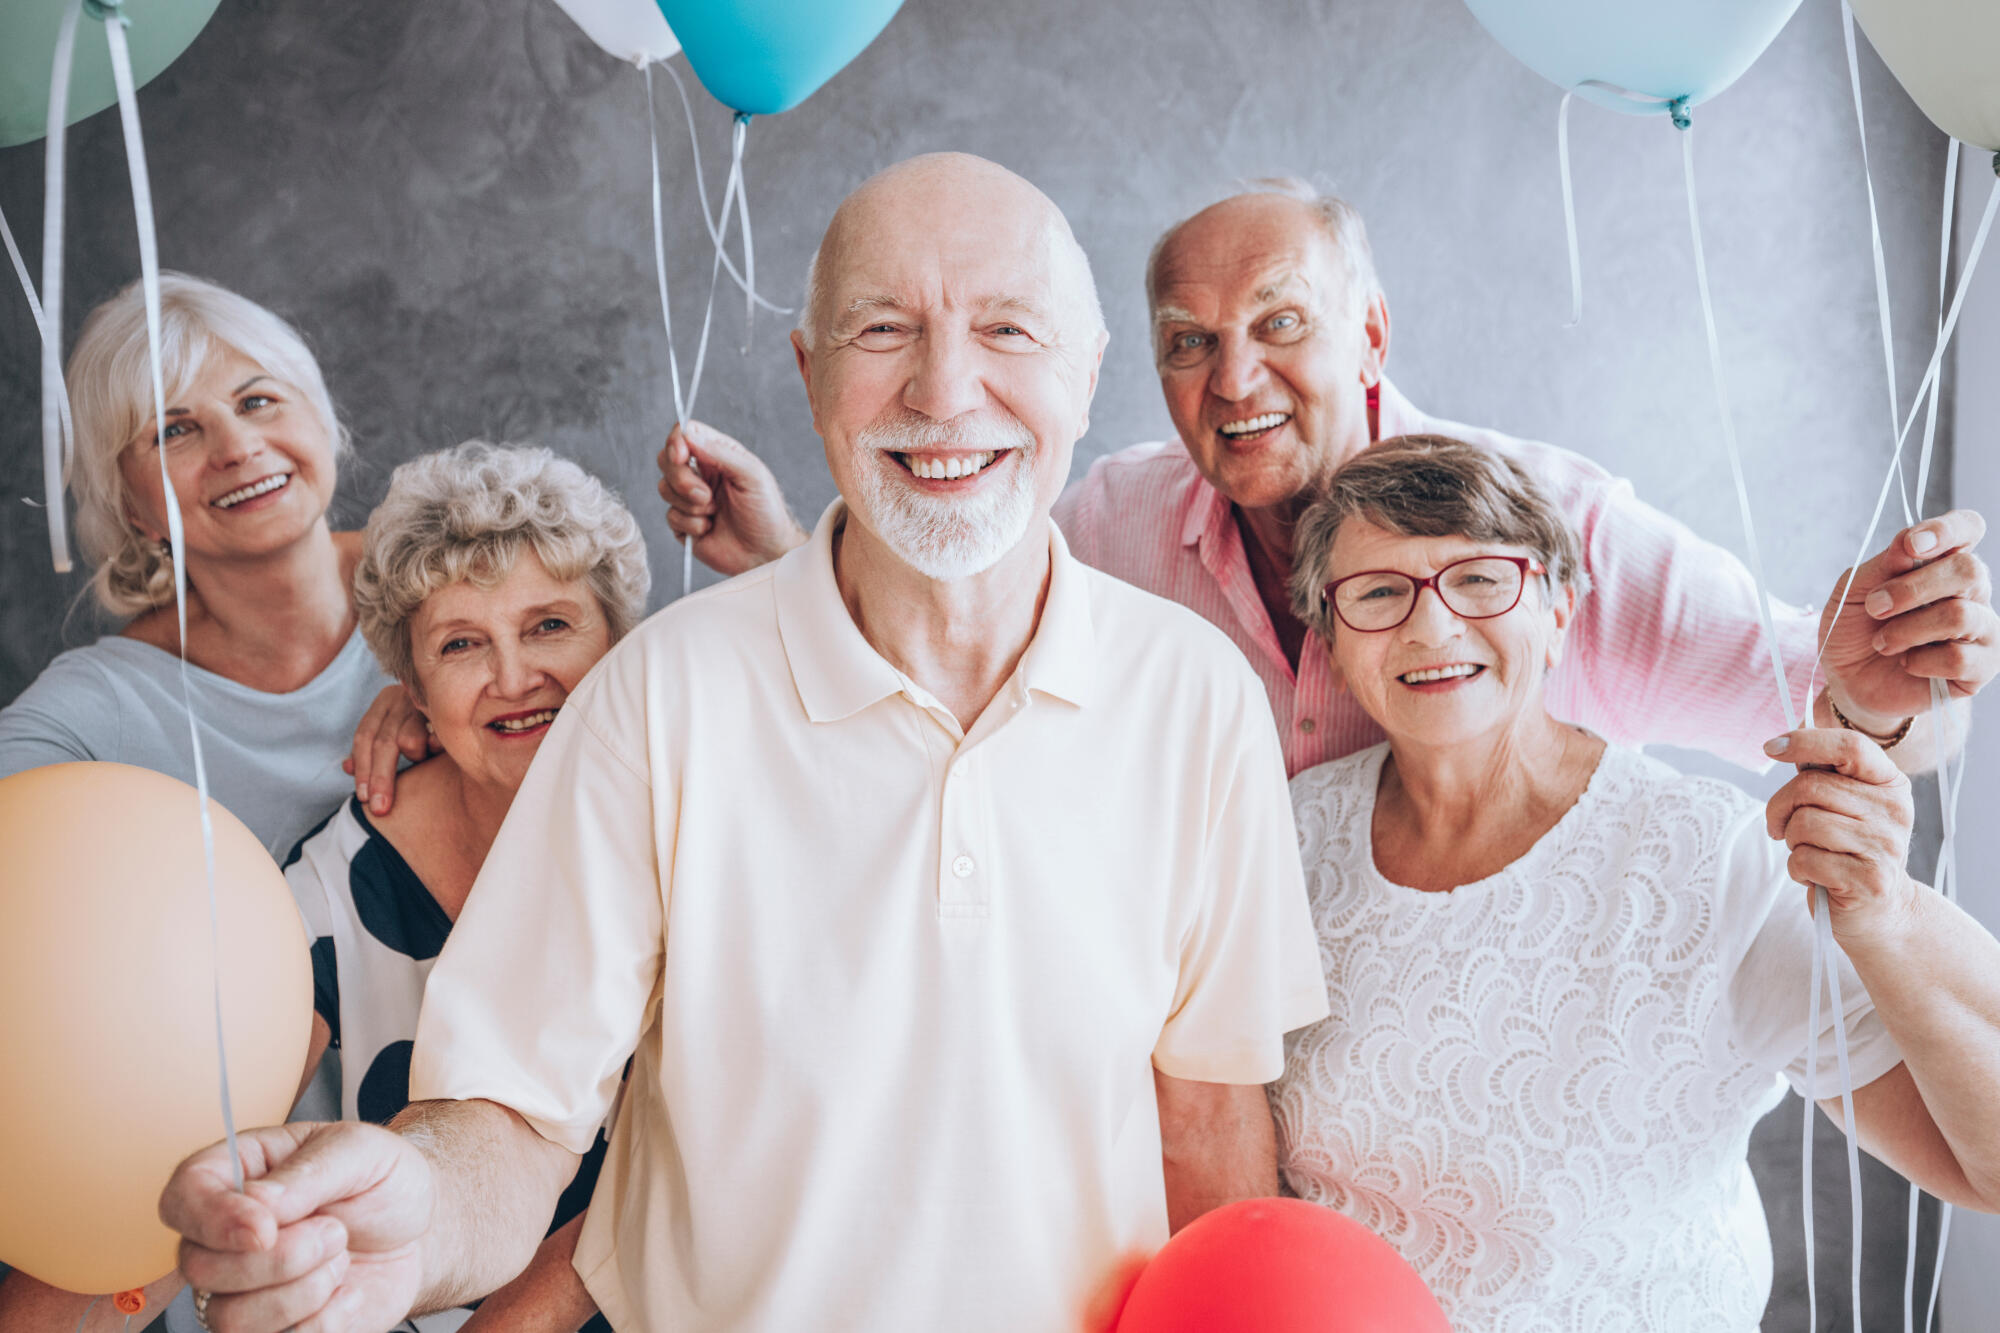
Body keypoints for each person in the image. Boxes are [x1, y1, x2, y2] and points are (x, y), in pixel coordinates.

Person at [157, 153, 1327, 1333]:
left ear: (1085, 374)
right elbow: (510, 1120)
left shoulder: (1194, 700)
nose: (943, 388)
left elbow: (1208, 1138)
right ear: (810, 372)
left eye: (1007, 329)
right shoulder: (656, 700)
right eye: (882, 330)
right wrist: (412, 1221)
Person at [657, 180, 1999, 779]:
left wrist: (1888, 698)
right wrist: (787, 557)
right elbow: (945, 644)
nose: (1234, 376)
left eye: (1281, 323)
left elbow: (1839, 705)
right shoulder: (1115, 521)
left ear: (1372, 333)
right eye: (1191, 342)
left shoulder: (1553, 524)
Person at [1268, 435, 2000, 1331]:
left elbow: (1989, 1167)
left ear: (1561, 609)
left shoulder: (1703, 861)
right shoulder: (1284, 835)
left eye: (1481, 579)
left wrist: (1885, 916)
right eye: (1380, 592)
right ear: (1332, 640)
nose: (1433, 627)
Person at [0, 273, 412, 1333]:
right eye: (174, 429)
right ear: (124, 496)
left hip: (484, 1224)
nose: (236, 446)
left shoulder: (470, 609)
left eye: (261, 399)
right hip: (244, 1280)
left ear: (320, 415)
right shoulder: (93, 714)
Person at [281, 440, 650, 1333]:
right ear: (412, 688)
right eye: (461, 644)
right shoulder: (334, 886)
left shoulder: (693, 830)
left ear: (627, 644)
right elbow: (176, 1138)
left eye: (550, 625)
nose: (515, 677)